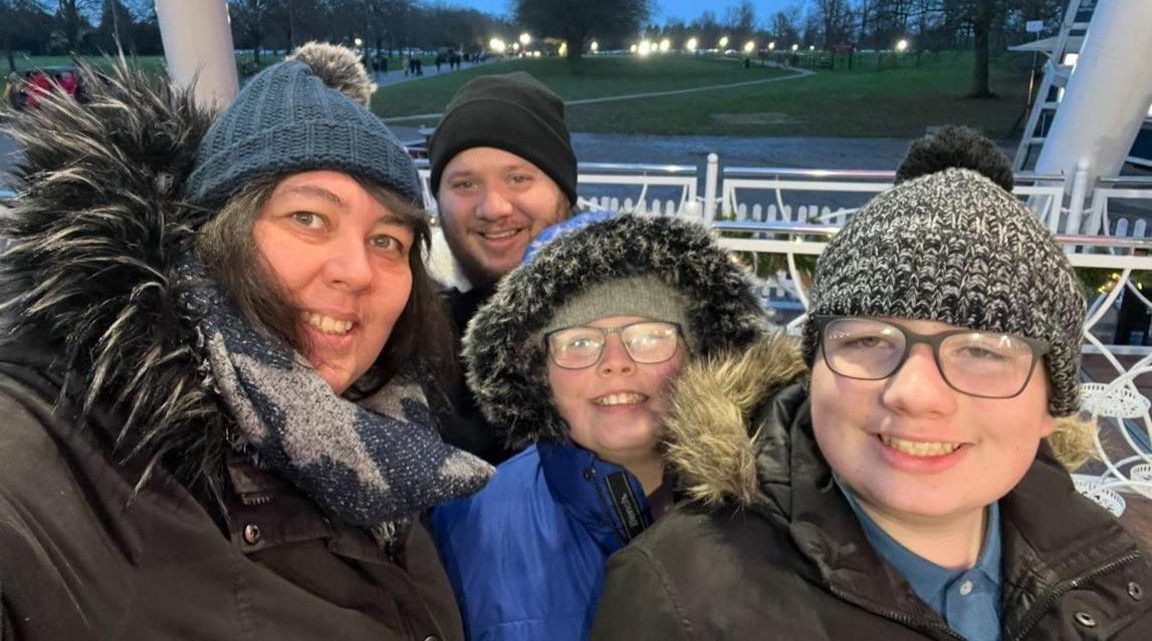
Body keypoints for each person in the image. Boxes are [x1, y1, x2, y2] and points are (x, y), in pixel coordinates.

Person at [0, 42, 492, 639]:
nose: (358, 271)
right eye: (309, 218)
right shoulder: (51, 456)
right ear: (210, 239)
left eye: (388, 240)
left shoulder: (387, 435)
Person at [592, 127, 1152, 639]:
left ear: (1052, 402)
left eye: (982, 351)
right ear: (813, 368)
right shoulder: (680, 600)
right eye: (867, 341)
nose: (914, 393)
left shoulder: (1114, 567)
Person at [431, 213, 773, 639]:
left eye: (649, 336)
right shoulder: (466, 525)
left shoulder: (773, 508)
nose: (615, 362)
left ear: (698, 352)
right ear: (538, 373)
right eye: (578, 342)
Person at [427, 72, 578, 463]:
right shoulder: (413, 344)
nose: (493, 207)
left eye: (518, 178)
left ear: (563, 190)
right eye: (464, 184)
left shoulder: (644, 329)